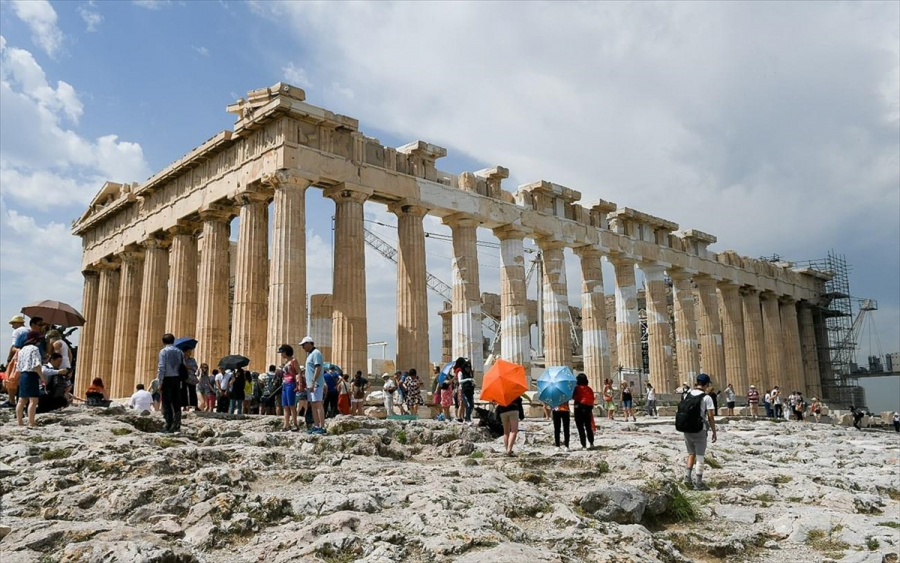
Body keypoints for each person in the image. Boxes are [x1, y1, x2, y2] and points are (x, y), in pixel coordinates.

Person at [677, 373, 717, 490]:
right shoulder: (707, 397)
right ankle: (699, 482)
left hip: (686, 428)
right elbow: (710, 416)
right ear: (707, 384)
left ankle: (687, 478)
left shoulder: (687, 395)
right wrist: (714, 431)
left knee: (691, 454)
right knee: (700, 456)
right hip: (700, 429)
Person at [14, 330, 44, 428]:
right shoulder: (34, 349)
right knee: (33, 400)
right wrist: (42, 377)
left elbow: (19, 366)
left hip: (23, 375)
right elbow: (37, 365)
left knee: (21, 400)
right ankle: (31, 422)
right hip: (31, 375)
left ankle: (19, 421)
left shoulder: (22, 350)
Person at [157, 333, 185, 433]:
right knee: (177, 402)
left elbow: (161, 367)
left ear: (163, 342)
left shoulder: (163, 352)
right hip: (177, 379)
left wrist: (160, 382)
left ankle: (168, 424)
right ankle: (177, 423)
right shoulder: (180, 352)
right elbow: (183, 365)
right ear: (173, 341)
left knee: (166, 402)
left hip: (167, 379)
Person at [300, 336, 326, 434]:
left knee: (318, 404)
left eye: (303, 345)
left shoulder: (316, 353)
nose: (302, 347)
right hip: (310, 384)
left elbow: (318, 368)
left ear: (309, 343)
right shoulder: (310, 354)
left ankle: (322, 427)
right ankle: (316, 425)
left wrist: (313, 382)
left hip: (316, 384)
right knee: (313, 405)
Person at [279, 345, 300, 431]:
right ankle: (286, 424)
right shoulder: (285, 362)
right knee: (285, 405)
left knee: (292, 405)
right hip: (284, 384)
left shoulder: (293, 361)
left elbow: (298, 372)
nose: (281, 354)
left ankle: (295, 424)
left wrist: (299, 384)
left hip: (291, 383)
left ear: (286, 352)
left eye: (282, 352)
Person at [573, 373, 595, 449]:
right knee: (588, 426)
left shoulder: (577, 388)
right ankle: (591, 443)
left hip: (579, 407)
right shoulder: (589, 389)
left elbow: (574, 397)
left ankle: (584, 445)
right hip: (588, 408)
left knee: (580, 427)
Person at [455, 358, 476, 423]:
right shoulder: (461, 373)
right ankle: (466, 419)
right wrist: (468, 380)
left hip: (470, 391)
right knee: (467, 405)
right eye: (467, 368)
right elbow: (460, 381)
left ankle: (467, 417)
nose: (468, 369)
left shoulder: (469, 373)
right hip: (464, 391)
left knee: (471, 405)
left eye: (469, 368)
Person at [182, 347, 199, 412]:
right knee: (184, 392)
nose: (190, 353)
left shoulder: (192, 360)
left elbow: (195, 367)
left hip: (191, 377)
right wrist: (188, 367)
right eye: (189, 351)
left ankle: (194, 405)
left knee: (192, 391)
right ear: (185, 352)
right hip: (184, 377)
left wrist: (188, 367)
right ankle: (184, 406)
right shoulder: (182, 360)